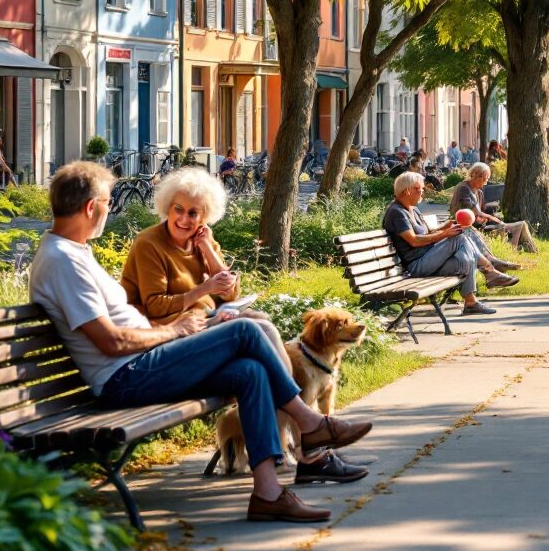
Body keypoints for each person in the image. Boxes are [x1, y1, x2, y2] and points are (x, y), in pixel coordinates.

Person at [29, 161, 373, 522]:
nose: (109, 208)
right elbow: (111, 341)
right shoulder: (62, 261)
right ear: (90, 207)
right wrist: (176, 329)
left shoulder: (74, 252)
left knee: (249, 372)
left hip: (140, 362)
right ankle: (310, 425)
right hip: (124, 375)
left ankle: (269, 493)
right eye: (107, 201)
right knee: (245, 330)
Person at [121, 168, 367, 485]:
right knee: (255, 326)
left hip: (202, 332)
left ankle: (300, 454)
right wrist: (204, 290)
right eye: (177, 210)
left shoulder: (200, 240)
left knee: (257, 347)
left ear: (205, 215)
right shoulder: (149, 244)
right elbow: (155, 304)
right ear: (166, 207)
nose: (183, 219)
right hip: (168, 340)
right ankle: (310, 431)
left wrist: (208, 251)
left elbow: (230, 293)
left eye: (193, 213)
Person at [383, 172, 519, 316]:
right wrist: (444, 234)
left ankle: (471, 303)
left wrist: (445, 227)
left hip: (429, 258)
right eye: (418, 189)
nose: (422, 191)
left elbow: (427, 233)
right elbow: (414, 240)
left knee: (466, 261)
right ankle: (490, 271)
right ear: (407, 191)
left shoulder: (413, 209)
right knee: (459, 238)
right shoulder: (397, 212)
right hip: (416, 265)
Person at [450, 162, 537, 253]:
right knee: (519, 225)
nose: (486, 182)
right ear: (475, 175)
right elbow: (475, 212)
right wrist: (496, 220)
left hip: (480, 226)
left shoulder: (479, 193)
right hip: (468, 229)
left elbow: (482, 212)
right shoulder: (463, 188)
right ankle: (512, 250)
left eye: (487, 179)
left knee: (522, 224)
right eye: (485, 179)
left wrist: (493, 216)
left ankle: (530, 250)